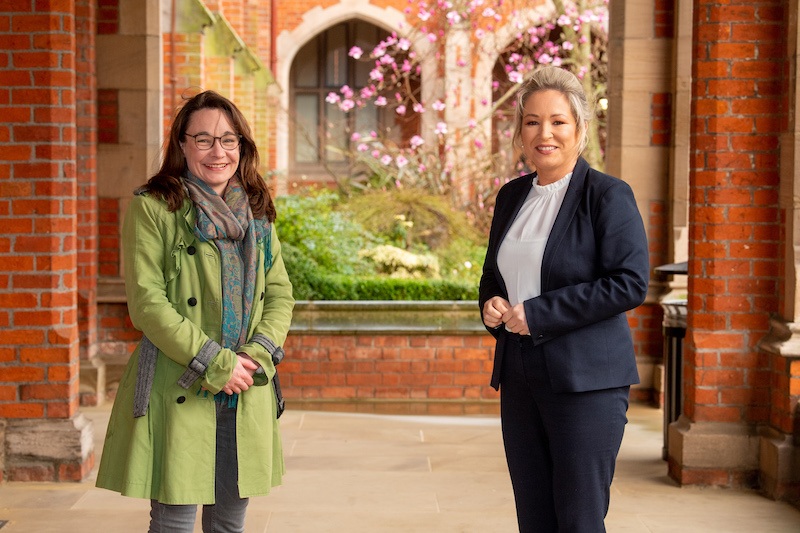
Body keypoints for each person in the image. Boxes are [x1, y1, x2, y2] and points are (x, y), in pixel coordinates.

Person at [96, 90, 294, 533]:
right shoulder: (154, 208)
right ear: (182, 145)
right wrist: (215, 361)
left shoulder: (258, 214)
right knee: (175, 523)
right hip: (181, 378)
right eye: (203, 139)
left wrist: (255, 356)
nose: (217, 151)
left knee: (229, 524)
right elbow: (148, 305)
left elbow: (280, 294)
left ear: (241, 147)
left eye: (228, 139)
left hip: (245, 384)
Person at [479, 66, 649, 532]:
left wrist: (537, 313)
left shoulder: (608, 195)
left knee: (577, 520)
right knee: (534, 518)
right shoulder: (511, 196)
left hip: (586, 383)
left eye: (558, 121)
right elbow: (494, 274)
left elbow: (630, 282)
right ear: (519, 132)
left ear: (580, 130)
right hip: (519, 379)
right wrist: (492, 304)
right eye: (532, 122)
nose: (544, 133)